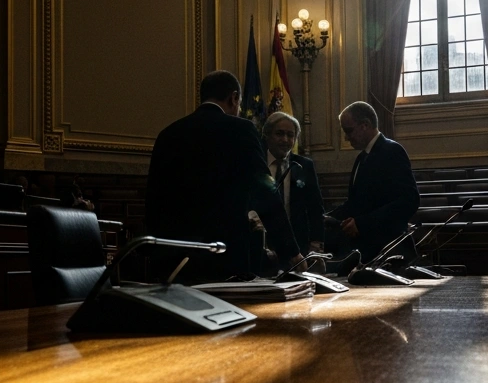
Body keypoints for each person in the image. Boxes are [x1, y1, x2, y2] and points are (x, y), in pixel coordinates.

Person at [146, 70, 302, 282]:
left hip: (172, 258)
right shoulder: (241, 130)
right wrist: (291, 252)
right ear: (234, 97)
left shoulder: (168, 134)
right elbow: (265, 193)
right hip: (224, 257)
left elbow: (154, 200)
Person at [328, 101, 420, 264]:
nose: (346, 137)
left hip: (390, 252)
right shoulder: (362, 157)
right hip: (367, 251)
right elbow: (356, 203)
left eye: (348, 130)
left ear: (365, 125)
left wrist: (362, 224)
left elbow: (409, 201)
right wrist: (327, 217)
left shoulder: (392, 151)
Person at [261, 111, 325, 256]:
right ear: (267, 135)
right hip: (261, 246)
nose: (285, 139)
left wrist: (316, 246)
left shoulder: (304, 166)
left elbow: (315, 208)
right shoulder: (257, 164)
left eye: (290, 135)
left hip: (297, 247)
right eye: (279, 133)